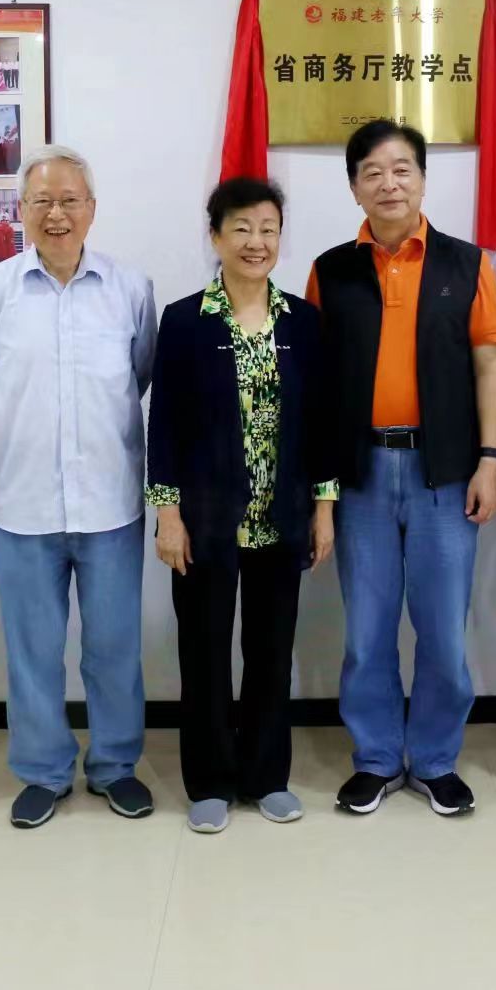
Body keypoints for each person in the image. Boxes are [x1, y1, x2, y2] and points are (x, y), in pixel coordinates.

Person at [307, 118, 496, 817]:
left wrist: (490, 460)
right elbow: (317, 383)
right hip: (360, 472)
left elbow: (489, 365)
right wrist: (321, 488)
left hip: (444, 472)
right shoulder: (331, 271)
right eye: (372, 172)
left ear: (422, 179)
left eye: (402, 170)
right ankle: (375, 758)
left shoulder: (466, 264)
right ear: (354, 186)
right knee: (366, 630)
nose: (388, 184)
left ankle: (435, 759)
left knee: (444, 631)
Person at [0, 145, 158, 829]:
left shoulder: (131, 290)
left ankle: (115, 766)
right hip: (24, 506)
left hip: (111, 504)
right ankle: (43, 771)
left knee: (114, 648)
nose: (56, 214)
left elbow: (139, 378)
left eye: (70, 200)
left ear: (92, 210)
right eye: (42, 201)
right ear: (20, 210)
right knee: (33, 653)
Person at [145, 177, 336, 833]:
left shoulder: (303, 322)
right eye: (243, 229)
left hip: (281, 518)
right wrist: (167, 514)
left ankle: (266, 777)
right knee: (203, 654)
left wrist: (324, 508)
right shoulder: (184, 321)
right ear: (216, 236)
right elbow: (164, 425)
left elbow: (321, 424)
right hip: (205, 520)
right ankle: (209, 782)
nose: (257, 242)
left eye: (269, 229)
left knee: (271, 653)